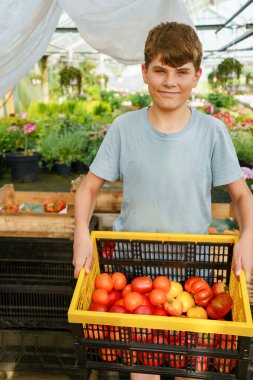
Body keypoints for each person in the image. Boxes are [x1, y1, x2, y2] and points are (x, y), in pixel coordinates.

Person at [73, 21, 253, 380]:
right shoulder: (124, 128)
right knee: (143, 369)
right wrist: (80, 233)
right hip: (133, 267)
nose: (171, 81)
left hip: (193, 270)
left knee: (191, 368)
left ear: (197, 75)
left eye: (182, 72)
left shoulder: (212, 132)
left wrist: (248, 234)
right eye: (160, 70)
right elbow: (88, 188)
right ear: (144, 73)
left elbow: (241, 195)